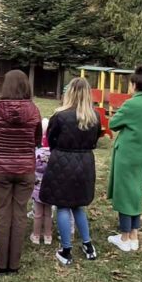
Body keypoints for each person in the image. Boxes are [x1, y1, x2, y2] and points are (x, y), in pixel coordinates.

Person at [39, 77, 102, 265]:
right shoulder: (94, 117)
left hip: (63, 161)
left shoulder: (60, 116)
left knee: (63, 205)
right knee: (78, 205)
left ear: (70, 93)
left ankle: (66, 250)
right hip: (84, 162)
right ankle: (88, 245)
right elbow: (95, 140)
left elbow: (50, 139)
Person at [0, 70, 41, 275]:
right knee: (19, 215)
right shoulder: (34, 110)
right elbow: (36, 141)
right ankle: (13, 265)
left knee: (1, 215)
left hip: (0, 168)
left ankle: (1, 264)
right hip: (25, 169)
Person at [106, 66, 142, 253]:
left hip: (127, 154)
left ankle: (124, 236)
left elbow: (113, 123)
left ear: (134, 84)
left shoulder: (131, 104)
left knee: (124, 192)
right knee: (136, 190)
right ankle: (134, 234)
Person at [31, 118, 52, 245]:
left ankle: (36, 236)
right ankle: (48, 236)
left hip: (37, 189)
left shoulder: (36, 153)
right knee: (48, 214)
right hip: (50, 188)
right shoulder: (54, 154)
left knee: (38, 213)